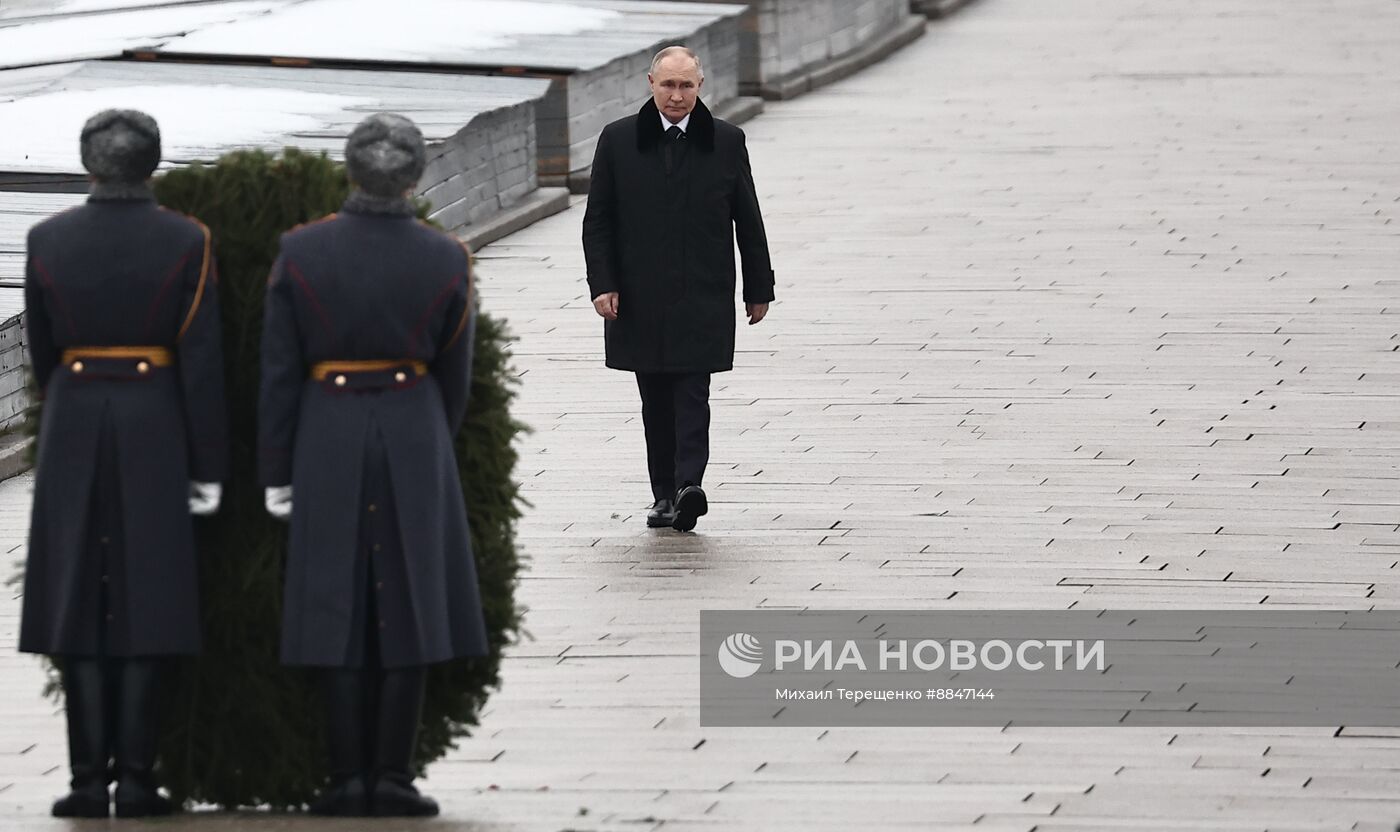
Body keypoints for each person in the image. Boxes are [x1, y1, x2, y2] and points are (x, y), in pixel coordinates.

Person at [258, 113, 487, 818]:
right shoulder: (446, 256)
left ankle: (345, 778)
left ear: (350, 172)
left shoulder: (300, 252)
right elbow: (456, 373)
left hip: (326, 427)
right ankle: (392, 776)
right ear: (415, 177)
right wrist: (426, 437)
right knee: (410, 604)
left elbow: (279, 372)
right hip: (412, 422)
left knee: (336, 603)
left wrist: (276, 469)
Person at [19, 109, 228, 818]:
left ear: (89, 166)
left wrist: (76, 396)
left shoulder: (46, 239)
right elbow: (201, 362)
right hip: (154, 421)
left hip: (75, 417)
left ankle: (84, 782)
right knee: (151, 599)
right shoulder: (187, 239)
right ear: (154, 165)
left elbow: (41, 354)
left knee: (77, 601)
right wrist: (207, 465)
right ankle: (137, 779)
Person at [582, 45, 775, 532]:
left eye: (686, 85)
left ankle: (690, 485)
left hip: (702, 292)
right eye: (668, 85)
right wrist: (602, 284)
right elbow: (598, 221)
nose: (676, 94)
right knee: (654, 398)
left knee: (693, 391)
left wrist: (759, 286)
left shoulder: (726, 141)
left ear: (700, 86)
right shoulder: (619, 140)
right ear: (650, 84)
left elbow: (748, 220)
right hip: (639, 295)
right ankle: (663, 494)